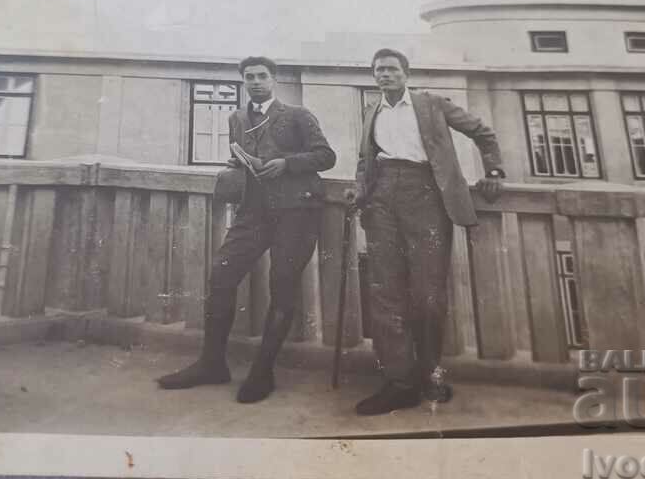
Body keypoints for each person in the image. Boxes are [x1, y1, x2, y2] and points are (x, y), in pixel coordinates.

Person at [157, 56, 336, 403]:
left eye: (262, 76)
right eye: (249, 77)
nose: (255, 82)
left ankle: (262, 372)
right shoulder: (237, 117)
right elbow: (240, 157)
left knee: (282, 287)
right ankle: (212, 364)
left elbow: (326, 156)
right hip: (253, 212)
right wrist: (236, 163)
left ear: (274, 79)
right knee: (220, 276)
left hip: (297, 212)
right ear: (243, 81)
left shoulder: (298, 115)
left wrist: (285, 164)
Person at [346, 48, 506, 416]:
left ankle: (432, 375)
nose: (385, 75)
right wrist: (359, 187)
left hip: (426, 195)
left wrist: (494, 171)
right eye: (379, 70)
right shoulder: (373, 112)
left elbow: (482, 132)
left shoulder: (432, 104)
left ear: (405, 73)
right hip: (382, 197)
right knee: (385, 291)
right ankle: (399, 382)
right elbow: (365, 160)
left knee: (428, 293)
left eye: (391, 69)